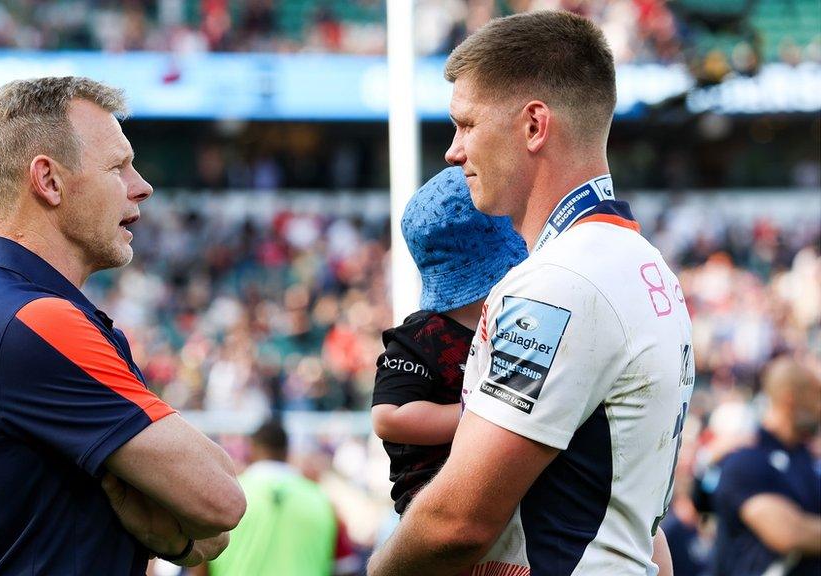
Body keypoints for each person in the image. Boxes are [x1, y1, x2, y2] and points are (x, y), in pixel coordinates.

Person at [369, 11, 688, 576]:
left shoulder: (556, 283)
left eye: (466, 124)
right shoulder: (645, 265)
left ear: (534, 125)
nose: (453, 151)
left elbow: (457, 523)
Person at [0, 77, 246, 576]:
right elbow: (222, 500)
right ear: (49, 181)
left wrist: (183, 542)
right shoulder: (37, 321)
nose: (141, 185)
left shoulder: (3, 308)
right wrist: (179, 533)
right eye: (117, 166)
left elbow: (212, 531)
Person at [371, 166, 527, 515]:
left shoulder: (508, 327)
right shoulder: (421, 337)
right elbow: (388, 415)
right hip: (432, 502)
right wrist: (478, 415)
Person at [711, 356, 821, 576]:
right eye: (817, 395)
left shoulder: (805, 458)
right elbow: (788, 534)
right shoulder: (747, 460)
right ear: (790, 399)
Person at [201, 418, 337, 576]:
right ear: (287, 451)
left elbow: (199, 562)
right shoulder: (321, 499)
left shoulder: (225, 495)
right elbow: (341, 565)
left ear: (252, 448)